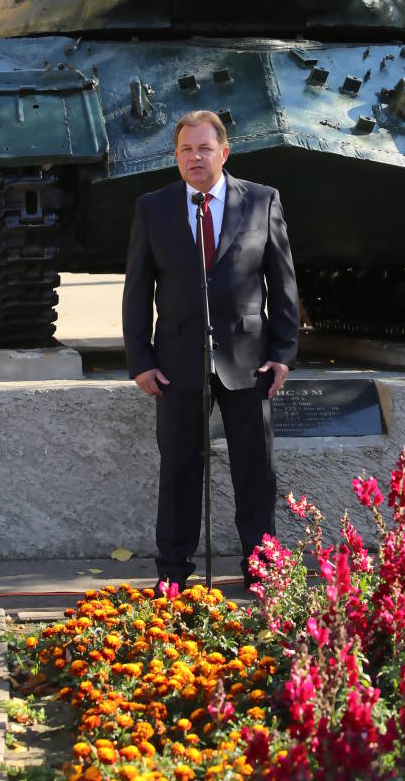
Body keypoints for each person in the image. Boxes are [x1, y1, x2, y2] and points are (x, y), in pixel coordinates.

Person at [122, 109, 299, 590]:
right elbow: (136, 290)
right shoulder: (152, 208)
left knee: (255, 474)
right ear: (176, 157)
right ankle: (173, 576)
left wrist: (283, 352)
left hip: (249, 362)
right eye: (185, 150)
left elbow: (283, 284)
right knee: (178, 472)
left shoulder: (261, 201)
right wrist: (140, 360)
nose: (194, 157)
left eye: (203, 148)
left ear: (224, 151)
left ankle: (263, 574)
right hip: (176, 364)